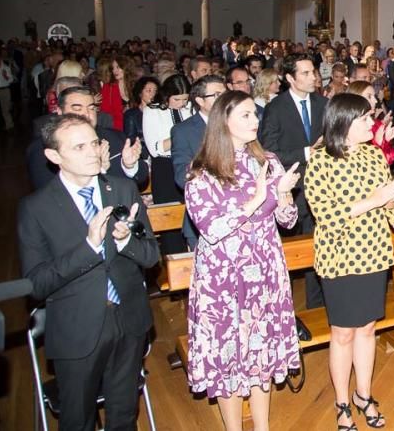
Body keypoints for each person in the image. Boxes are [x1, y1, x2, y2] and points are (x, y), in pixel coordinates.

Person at [18, 113, 159, 431]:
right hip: (77, 328)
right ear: (54, 157)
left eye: (94, 143)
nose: (93, 152)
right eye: (79, 147)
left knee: (124, 416)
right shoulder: (36, 208)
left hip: (129, 319)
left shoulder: (122, 189)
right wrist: (90, 246)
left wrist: (125, 243)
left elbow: (151, 256)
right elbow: (37, 284)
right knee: (77, 419)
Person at [184, 91, 302, 431]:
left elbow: (288, 220)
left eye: (255, 114)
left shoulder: (267, 160)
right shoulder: (202, 172)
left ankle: (263, 427)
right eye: (247, 115)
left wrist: (282, 195)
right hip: (224, 278)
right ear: (225, 122)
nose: (255, 121)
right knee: (230, 357)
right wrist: (254, 201)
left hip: (265, 267)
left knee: (260, 352)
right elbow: (211, 229)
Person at [304, 93, 394, 431]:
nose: (374, 123)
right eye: (366, 118)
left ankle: (364, 395)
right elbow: (325, 215)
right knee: (342, 334)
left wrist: (392, 199)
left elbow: (389, 211)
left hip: (373, 252)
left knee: (367, 329)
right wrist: (375, 200)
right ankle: (342, 402)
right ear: (345, 122)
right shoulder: (321, 160)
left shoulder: (374, 155)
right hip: (339, 257)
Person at [258, 53, 328, 309]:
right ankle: (280, 306)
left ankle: (316, 306)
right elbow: (269, 151)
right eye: (306, 73)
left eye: (314, 72)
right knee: (287, 251)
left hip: (321, 185)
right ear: (290, 78)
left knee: (316, 246)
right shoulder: (276, 108)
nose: (314, 78)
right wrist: (307, 151)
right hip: (292, 189)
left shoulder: (323, 103)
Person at [27, 86, 147, 192]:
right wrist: (100, 169)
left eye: (91, 108)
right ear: (59, 112)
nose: (86, 114)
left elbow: (141, 179)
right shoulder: (45, 147)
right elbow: (49, 194)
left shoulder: (116, 138)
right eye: (77, 109)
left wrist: (130, 166)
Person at [172, 75, 227, 249]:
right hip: (205, 218)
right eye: (217, 95)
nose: (224, 99)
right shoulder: (183, 131)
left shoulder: (237, 123)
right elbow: (182, 177)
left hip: (242, 216)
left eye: (225, 94)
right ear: (200, 100)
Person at [143, 73, 193, 203]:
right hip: (165, 167)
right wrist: (182, 136)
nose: (182, 104)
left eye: (185, 99)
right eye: (176, 99)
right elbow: (155, 149)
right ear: (166, 95)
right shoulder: (152, 111)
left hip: (190, 163)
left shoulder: (190, 107)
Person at [347, 80, 394, 166]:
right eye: (369, 96)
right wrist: (378, 144)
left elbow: (387, 161)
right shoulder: (350, 126)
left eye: (374, 96)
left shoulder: (376, 124)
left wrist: (385, 140)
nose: (375, 100)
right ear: (356, 98)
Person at [123, 75, 159, 154]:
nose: (153, 94)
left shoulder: (160, 112)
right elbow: (131, 140)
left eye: (155, 91)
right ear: (140, 93)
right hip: (140, 153)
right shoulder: (131, 115)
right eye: (149, 91)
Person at [100, 55, 137, 131]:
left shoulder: (134, 85)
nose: (114, 71)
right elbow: (104, 110)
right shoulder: (108, 86)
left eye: (118, 67)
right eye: (113, 68)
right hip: (115, 128)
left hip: (133, 126)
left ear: (126, 68)